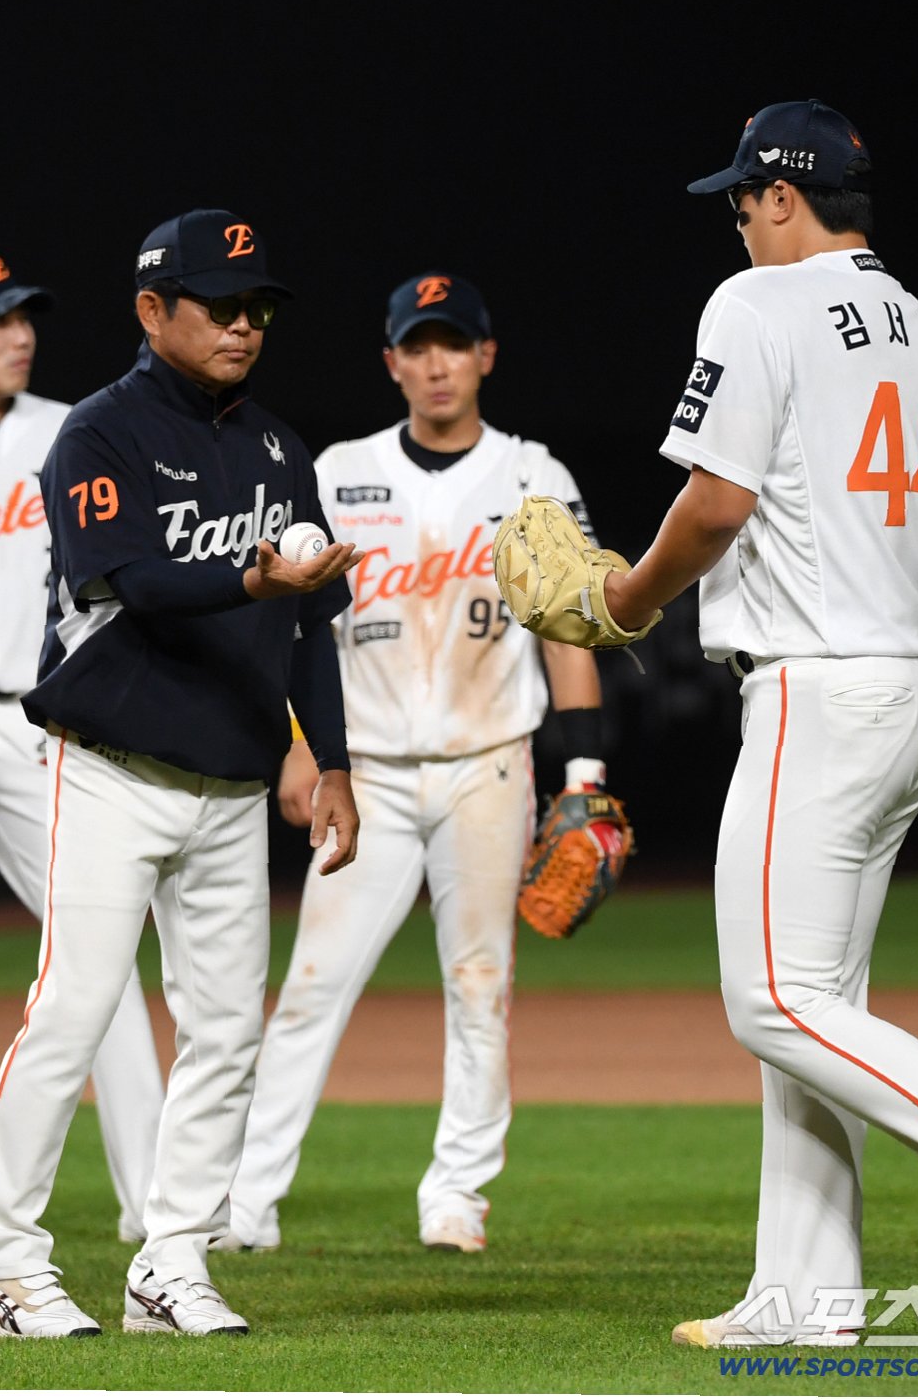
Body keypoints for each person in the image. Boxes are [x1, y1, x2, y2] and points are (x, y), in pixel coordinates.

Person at [588, 101, 918, 1345]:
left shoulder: (756, 303)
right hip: (910, 684)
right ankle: (806, 1298)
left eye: (741, 200)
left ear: (783, 195)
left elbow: (716, 503)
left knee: (772, 1000)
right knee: (820, 1006)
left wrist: (627, 601)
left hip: (821, 690)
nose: (737, 222)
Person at [0, 209, 362, 1339]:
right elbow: (131, 579)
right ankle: (0, 1263)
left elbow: (312, 624)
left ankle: (171, 1263)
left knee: (226, 1032)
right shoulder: (99, 433)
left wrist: (332, 759)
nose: (244, 324)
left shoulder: (279, 449)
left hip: (233, 786)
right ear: (151, 309)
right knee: (72, 1013)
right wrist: (253, 580)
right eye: (220, 304)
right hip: (110, 771)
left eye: (258, 306)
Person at [217, 272, 607, 1255]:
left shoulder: (533, 476)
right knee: (313, 985)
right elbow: (296, 620)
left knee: (480, 983)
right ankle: (247, 1202)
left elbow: (569, 627)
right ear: (392, 361)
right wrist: (300, 747)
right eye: (418, 346)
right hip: (371, 775)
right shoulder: (339, 471)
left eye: (454, 344)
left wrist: (584, 775)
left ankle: (457, 1195)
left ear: (485, 356)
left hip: (489, 766)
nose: (437, 364)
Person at [0, 249, 163, 1249]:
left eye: (27, 317)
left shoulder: (72, 432)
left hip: (41, 720)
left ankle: (156, 1202)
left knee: (94, 957)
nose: (20, 334)